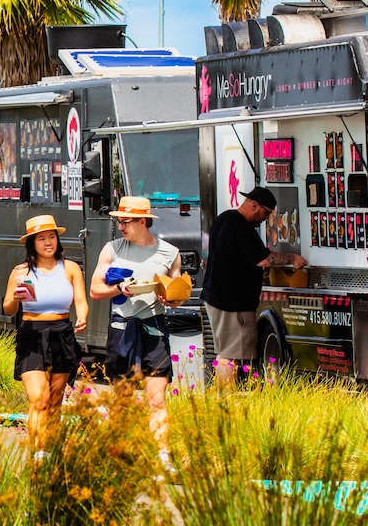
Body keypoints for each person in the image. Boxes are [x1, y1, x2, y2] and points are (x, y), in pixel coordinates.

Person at [90, 196, 182, 463]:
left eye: (125, 221)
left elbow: (177, 294)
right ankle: (120, 454)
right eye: (119, 221)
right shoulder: (112, 249)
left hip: (154, 328)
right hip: (122, 328)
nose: (121, 227)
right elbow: (95, 290)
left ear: (143, 222)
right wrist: (119, 288)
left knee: (156, 398)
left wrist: (171, 299)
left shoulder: (170, 253)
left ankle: (163, 457)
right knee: (123, 398)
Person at [202, 186, 306, 385]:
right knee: (229, 356)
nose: (265, 219)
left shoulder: (224, 218)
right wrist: (292, 258)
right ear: (254, 205)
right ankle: (227, 402)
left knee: (226, 353)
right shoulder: (240, 225)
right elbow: (263, 260)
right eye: (265, 213)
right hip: (232, 302)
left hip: (218, 297)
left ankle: (226, 399)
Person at [3, 215, 87, 453]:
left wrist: (82, 317)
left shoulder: (69, 268)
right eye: (41, 238)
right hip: (31, 335)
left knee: (54, 402)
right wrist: (15, 299)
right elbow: (8, 308)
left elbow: (81, 300)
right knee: (38, 399)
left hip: (62, 333)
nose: (48, 243)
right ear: (32, 243)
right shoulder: (20, 272)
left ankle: (51, 450)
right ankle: (39, 452)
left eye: (52, 237)